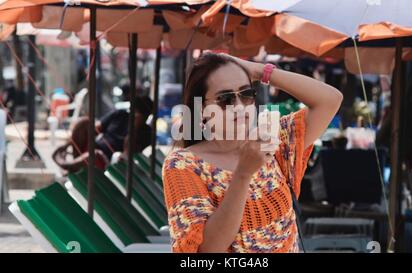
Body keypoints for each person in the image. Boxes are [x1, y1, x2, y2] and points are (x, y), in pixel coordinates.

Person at [162, 53, 343, 253]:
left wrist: (260, 71)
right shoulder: (184, 164)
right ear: (202, 109)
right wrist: (243, 174)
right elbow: (206, 250)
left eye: (246, 94)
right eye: (225, 99)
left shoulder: (271, 141)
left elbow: (330, 100)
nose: (239, 106)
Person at [53, 96, 153, 173]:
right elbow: (96, 128)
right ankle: (72, 158)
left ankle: (69, 166)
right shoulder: (120, 115)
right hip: (94, 148)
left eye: (138, 114)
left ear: (146, 116)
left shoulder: (146, 132)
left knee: (95, 154)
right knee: (84, 122)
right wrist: (70, 143)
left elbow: (129, 153)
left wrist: (134, 127)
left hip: (110, 160)